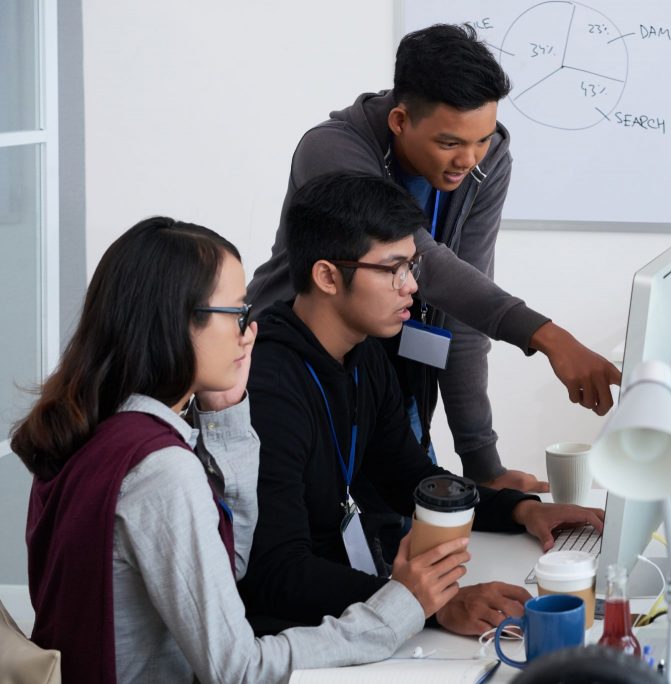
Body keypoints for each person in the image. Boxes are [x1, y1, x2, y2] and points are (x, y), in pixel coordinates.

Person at [11, 217, 471, 683]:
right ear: (177, 322)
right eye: (236, 312)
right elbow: (237, 669)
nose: (248, 331)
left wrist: (227, 414)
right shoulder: (161, 470)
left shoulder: (94, 424)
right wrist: (397, 609)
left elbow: (226, 565)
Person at [246, 23, 621, 492]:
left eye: (480, 139)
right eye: (450, 143)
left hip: (387, 376)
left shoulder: (488, 159)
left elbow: (461, 317)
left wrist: (483, 465)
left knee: (409, 517)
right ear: (400, 121)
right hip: (298, 369)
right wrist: (545, 335)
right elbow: (428, 262)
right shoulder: (332, 149)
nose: (468, 159)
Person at [239, 173, 604, 637]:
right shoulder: (267, 385)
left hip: (350, 598)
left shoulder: (363, 351)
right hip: (293, 634)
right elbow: (275, 572)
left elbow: (406, 477)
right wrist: (426, 605)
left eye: (412, 267)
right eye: (393, 269)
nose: (410, 286)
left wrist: (521, 511)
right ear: (328, 276)